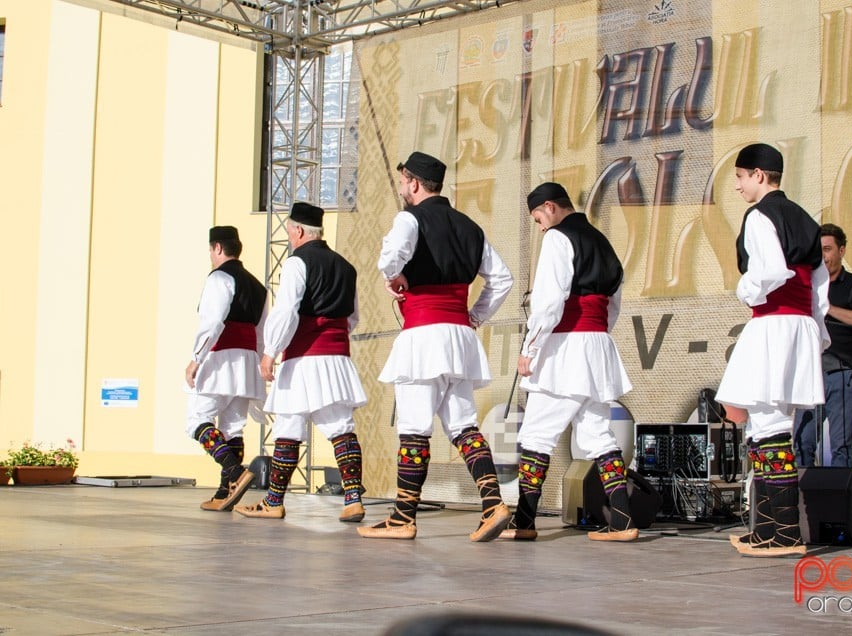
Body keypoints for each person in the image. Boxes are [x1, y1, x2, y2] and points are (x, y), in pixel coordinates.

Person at [357, 151, 514, 541]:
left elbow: (391, 257)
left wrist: (394, 278)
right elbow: (503, 279)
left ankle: (403, 518)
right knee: (463, 425)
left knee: (414, 428)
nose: (401, 188)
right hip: (458, 335)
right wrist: (474, 316)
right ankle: (493, 502)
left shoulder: (409, 218)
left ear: (413, 182)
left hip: (424, 334)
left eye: (403, 181)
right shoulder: (469, 227)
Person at [497, 183, 636, 542]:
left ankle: (524, 521)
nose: (541, 226)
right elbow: (614, 303)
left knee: (537, 434)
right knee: (596, 433)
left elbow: (549, 301)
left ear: (550, 207)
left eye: (539, 218)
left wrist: (530, 348)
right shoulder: (603, 243)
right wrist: (597, 337)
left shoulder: (559, 238)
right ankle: (622, 520)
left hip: (564, 347)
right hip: (597, 343)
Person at [716, 143, 830, 558]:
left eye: (741, 177)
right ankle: (769, 528)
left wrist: (744, 288)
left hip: (773, 321)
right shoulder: (805, 218)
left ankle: (781, 532)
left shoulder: (760, 215)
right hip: (799, 323)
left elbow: (770, 271)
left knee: (768, 424)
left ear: (760, 175)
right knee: (774, 421)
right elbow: (819, 286)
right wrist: (817, 331)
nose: (739, 187)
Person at [234, 202, 368, 521]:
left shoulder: (297, 262)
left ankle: (274, 502)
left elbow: (286, 312)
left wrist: (270, 351)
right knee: (340, 427)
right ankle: (352, 499)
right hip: (336, 358)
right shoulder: (346, 266)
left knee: (288, 427)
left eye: (289, 231)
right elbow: (353, 318)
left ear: (297, 231)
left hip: (304, 357)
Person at [185, 226, 266, 511]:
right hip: (247, 361)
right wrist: (259, 364)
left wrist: (196, 357)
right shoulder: (258, 286)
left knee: (196, 420)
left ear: (218, 248)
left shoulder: (220, 277)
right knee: (233, 427)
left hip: (221, 358)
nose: (210, 254)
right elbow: (262, 331)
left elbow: (213, 322)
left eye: (210, 249)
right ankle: (224, 493)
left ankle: (235, 471)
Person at [793, 224, 852, 468]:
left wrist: (828, 307)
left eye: (828, 249)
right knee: (802, 443)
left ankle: (840, 504)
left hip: (842, 371)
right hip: (810, 373)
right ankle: (803, 504)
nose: (823, 256)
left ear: (841, 251)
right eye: (818, 251)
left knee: (841, 445)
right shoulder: (805, 285)